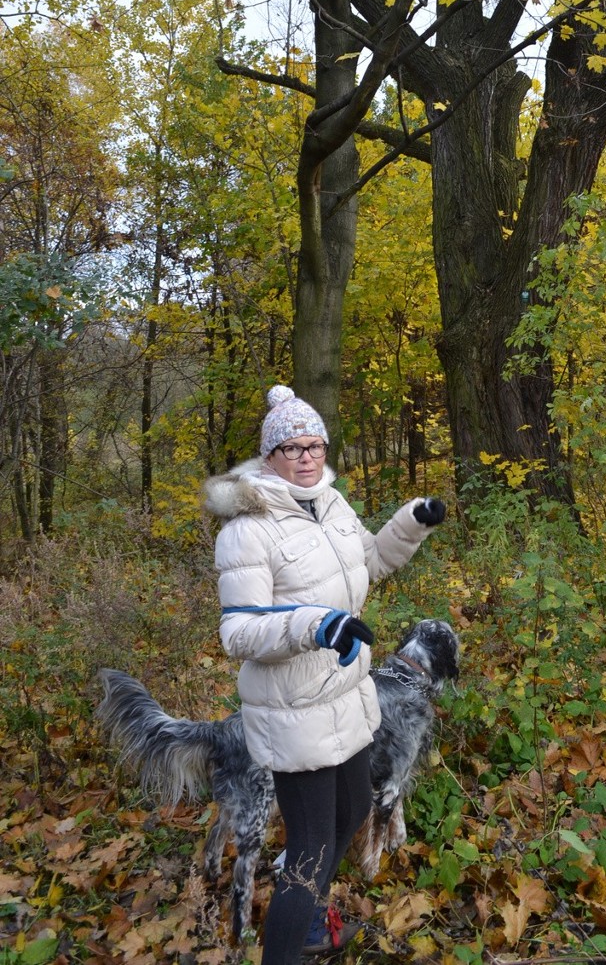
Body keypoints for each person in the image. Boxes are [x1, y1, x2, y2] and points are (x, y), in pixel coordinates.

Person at [205, 384, 446, 962]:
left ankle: (309, 918)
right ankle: (290, 942)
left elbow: (369, 563)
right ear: (270, 457)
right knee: (310, 851)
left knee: (357, 808)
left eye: (316, 445)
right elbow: (238, 631)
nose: (308, 456)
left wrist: (411, 523)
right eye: (293, 447)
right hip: (293, 710)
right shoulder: (247, 528)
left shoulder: (331, 505)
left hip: (348, 695)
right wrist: (313, 625)